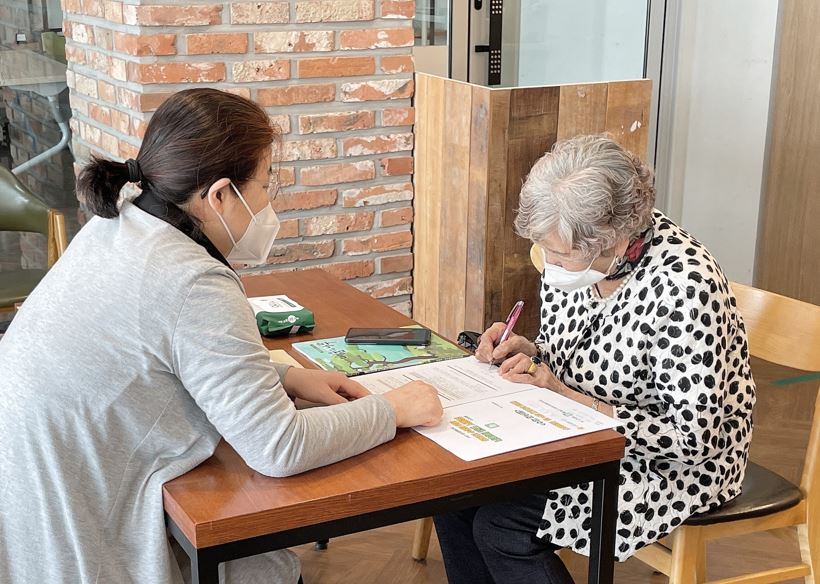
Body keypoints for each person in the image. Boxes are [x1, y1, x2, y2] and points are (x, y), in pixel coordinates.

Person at [0, 88, 443, 584]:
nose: (270, 199)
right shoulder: (194, 281)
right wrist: (396, 410)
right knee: (268, 569)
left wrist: (286, 376)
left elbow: (156, 358)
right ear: (219, 195)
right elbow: (279, 448)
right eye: (266, 181)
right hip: (85, 523)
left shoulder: (118, 225)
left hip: (31, 499)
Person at [433, 135, 756, 583]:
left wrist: (568, 397)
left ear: (616, 238)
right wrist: (529, 351)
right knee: (454, 496)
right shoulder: (583, 258)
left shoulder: (685, 288)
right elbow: (578, 351)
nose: (549, 263)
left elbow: (693, 442)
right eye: (544, 250)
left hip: (665, 465)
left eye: (560, 254)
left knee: (503, 526)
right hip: (574, 435)